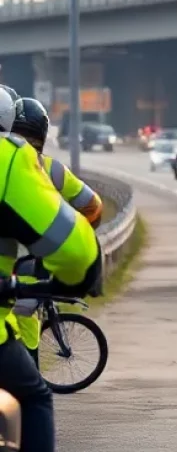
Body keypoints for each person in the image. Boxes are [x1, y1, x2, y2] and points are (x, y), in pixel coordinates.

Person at [0, 87, 101, 452]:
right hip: (17, 305)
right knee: (34, 395)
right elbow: (76, 243)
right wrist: (76, 275)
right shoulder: (14, 159)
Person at [9, 98, 103, 362]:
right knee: (25, 312)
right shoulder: (52, 169)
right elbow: (93, 207)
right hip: (33, 261)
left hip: (12, 261)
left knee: (20, 314)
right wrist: (67, 237)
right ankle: (30, 372)